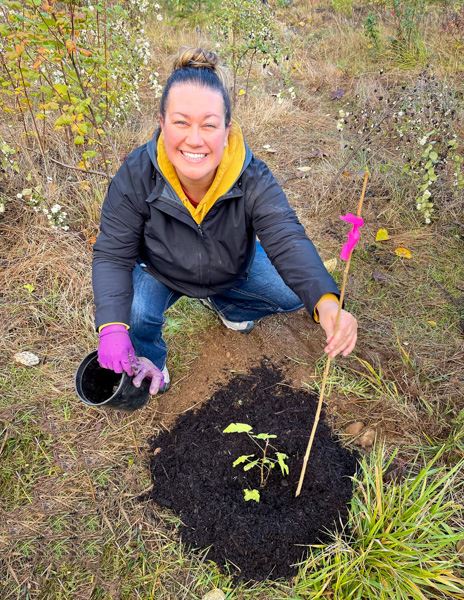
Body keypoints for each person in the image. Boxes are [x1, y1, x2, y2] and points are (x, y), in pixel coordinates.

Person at [93, 47, 358, 395]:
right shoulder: (137, 174)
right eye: (181, 123)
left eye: (209, 125)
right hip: (159, 269)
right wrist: (112, 327)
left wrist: (326, 302)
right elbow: (112, 253)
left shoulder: (252, 177)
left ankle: (229, 304)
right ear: (162, 123)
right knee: (134, 312)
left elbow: (286, 237)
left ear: (227, 130)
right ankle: (152, 360)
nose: (195, 139)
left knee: (294, 294)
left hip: (230, 268)